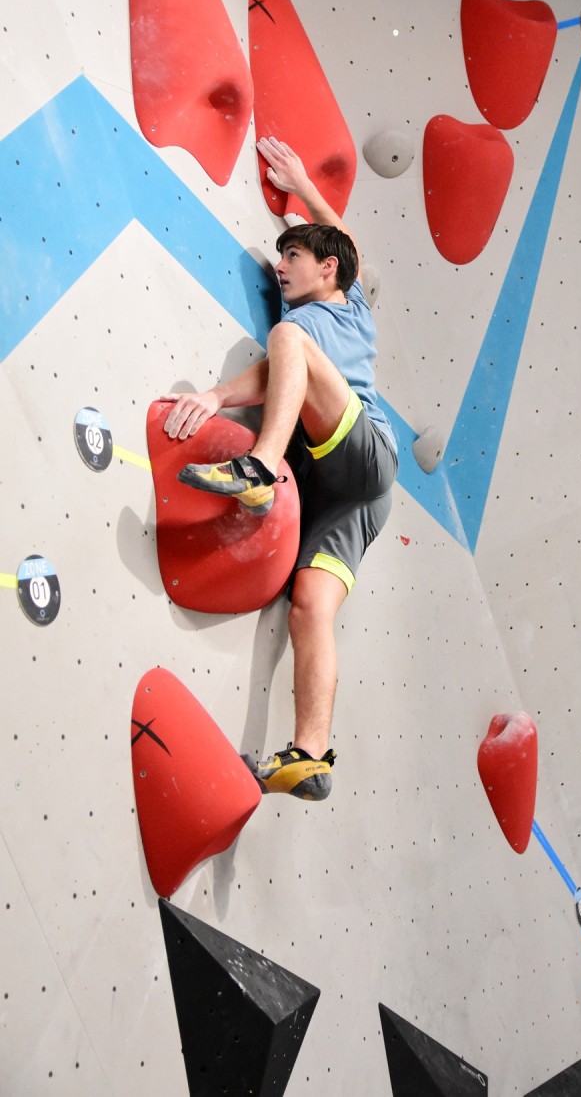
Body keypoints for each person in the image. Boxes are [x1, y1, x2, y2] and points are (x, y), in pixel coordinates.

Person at [160, 138, 397, 801]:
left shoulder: (344, 311)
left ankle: (260, 468)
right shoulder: (300, 331)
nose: (281, 266)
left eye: (292, 256)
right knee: (309, 610)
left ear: (329, 271)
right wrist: (212, 398)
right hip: (350, 503)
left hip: (363, 451)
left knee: (289, 337)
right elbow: (273, 376)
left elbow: (342, 242)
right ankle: (311, 755)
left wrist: (302, 188)